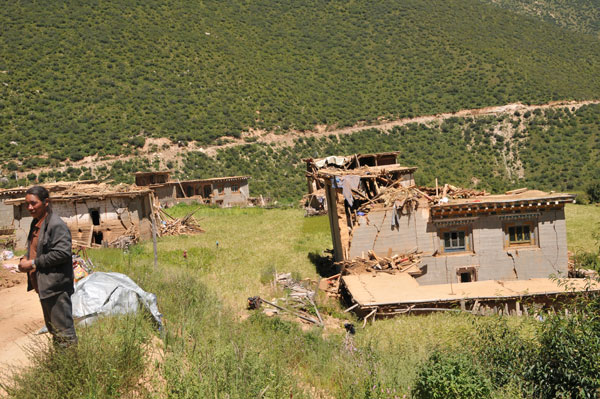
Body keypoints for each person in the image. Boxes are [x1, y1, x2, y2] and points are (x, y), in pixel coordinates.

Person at [18, 185, 77, 347]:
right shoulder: (36, 223)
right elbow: (36, 248)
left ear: (46, 202)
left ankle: (72, 368)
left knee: (65, 334)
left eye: (33, 203)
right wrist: (26, 258)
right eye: (27, 204)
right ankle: (62, 366)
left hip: (56, 287)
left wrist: (33, 263)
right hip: (45, 287)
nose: (29, 207)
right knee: (55, 331)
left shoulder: (55, 224)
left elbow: (63, 253)